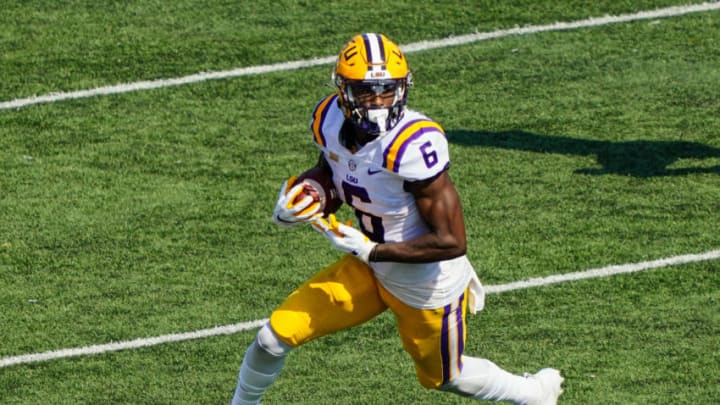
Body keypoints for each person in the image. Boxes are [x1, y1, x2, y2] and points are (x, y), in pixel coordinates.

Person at [230, 33, 564, 405]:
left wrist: (373, 251)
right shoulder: (329, 119)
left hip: (424, 285)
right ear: (343, 91)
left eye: (386, 91)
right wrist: (310, 194)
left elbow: (452, 242)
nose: (376, 103)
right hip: (369, 265)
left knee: (443, 377)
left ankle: (533, 395)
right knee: (273, 337)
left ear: (403, 89)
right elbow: (334, 171)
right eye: (365, 92)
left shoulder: (412, 145)